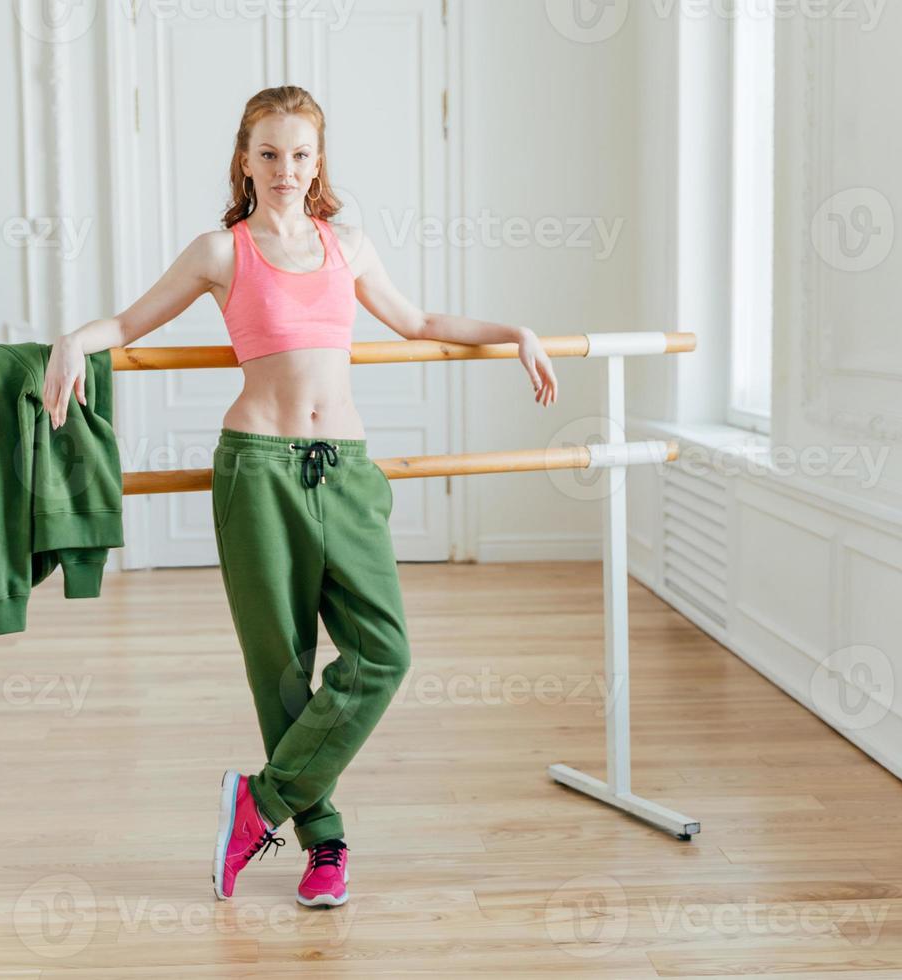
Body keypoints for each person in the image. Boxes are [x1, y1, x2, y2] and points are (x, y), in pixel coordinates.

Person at [44, 85, 558, 909]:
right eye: (270, 153)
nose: (287, 169)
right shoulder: (221, 250)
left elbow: (418, 319)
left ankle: (259, 805)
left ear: (321, 162)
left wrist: (515, 334)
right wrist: (73, 340)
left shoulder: (346, 244)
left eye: (302, 154)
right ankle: (325, 846)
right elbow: (130, 323)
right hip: (258, 472)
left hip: (347, 471)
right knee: (284, 673)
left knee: (382, 654)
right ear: (245, 160)